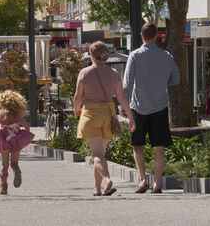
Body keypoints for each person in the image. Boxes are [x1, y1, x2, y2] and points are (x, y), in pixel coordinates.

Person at [122, 22, 179, 194]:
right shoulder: (167, 56)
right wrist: (162, 82)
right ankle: (158, 184)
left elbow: (127, 84)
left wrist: (123, 107)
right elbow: (176, 79)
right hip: (160, 107)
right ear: (157, 36)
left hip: (138, 107)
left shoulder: (134, 56)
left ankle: (143, 180)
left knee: (137, 145)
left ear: (141, 35)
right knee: (158, 147)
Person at [74, 41, 134, 196]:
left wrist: (77, 110)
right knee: (100, 153)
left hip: (91, 113)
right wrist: (131, 117)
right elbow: (121, 98)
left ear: (91, 56)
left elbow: (77, 97)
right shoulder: (114, 73)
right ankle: (97, 188)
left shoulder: (84, 73)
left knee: (97, 155)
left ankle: (107, 180)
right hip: (109, 114)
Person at [0, 90, 34, 195]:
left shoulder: (2, 113)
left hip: (4, 139)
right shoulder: (17, 114)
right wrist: (24, 136)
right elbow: (27, 126)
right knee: (14, 163)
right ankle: (16, 169)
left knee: (4, 165)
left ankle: (3, 186)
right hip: (15, 139)